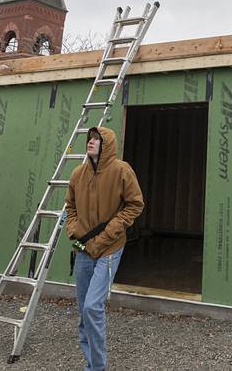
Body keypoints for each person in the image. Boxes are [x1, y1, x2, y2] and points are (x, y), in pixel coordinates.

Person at [65, 127, 144, 371]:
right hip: (83, 250)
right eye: (89, 139)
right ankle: (91, 363)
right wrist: (74, 230)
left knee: (92, 307)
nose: (91, 142)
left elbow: (135, 204)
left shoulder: (122, 170)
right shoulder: (78, 174)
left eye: (97, 139)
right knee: (82, 314)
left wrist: (110, 232)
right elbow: (70, 207)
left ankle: (97, 368)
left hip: (110, 249)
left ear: (107, 144)